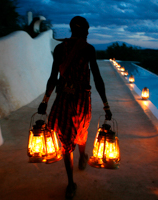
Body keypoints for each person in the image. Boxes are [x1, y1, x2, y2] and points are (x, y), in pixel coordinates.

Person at [37, 16, 112, 199]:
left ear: (71, 30)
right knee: (81, 131)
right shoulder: (88, 49)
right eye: (86, 31)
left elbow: (53, 78)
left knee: (67, 140)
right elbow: (97, 78)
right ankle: (80, 161)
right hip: (81, 100)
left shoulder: (60, 49)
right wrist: (105, 105)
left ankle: (71, 182)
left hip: (63, 99)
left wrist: (45, 100)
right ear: (85, 31)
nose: (87, 34)